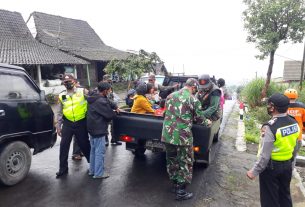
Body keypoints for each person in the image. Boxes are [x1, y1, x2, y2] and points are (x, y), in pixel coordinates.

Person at [247, 93, 300, 207]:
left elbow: (265, 156)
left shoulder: (270, 127)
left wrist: (254, 171)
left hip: (271, 168)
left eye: (269, 105)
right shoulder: (294, 123)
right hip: (287, 166)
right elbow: (295, 147)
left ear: (273, 107)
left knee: (270, 200)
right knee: (285, 196)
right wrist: (292, 165)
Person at [161, 78, 210, 201]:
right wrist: (207, 121)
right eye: (195, 89)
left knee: (171, 159)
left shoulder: (170, 96)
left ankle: (174, 184)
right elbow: (199, 118)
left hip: (167, 134)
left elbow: (165, 113)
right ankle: (181, 191)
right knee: (185, 161)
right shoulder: (193, 99)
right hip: (183, 137)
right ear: (193, 87)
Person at [56, 74, 91, 178]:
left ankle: (92, 165)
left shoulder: (83, 91)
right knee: (63, 146)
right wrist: (58, 126)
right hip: (68, 124)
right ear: (63, 84)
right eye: (65, 82)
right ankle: (63, 170)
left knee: (84, 144)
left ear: (74, 81)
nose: (67, 84)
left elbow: (93, 102)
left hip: (81, 122)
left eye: (69, 81)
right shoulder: (61, 95)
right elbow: (59, 112)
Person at [87, 82, 117, 179]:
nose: (109, 92)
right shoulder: (101, 102)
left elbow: (108, 102)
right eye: (109, 90)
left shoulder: (93, 97)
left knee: (93, 151)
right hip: (99, 129)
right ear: (105, 91)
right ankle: (99, 173)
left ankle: (92, 171)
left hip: (91, 128)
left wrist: (114, 106)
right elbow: (109, 115)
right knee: (100, 152)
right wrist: (115, 112)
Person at [284, 88, 305, 166]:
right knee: (294, 156)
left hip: (284, 135)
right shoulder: (302, 107)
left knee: (284, 154)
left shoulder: (282, 106)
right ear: (296, 97)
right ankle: (291, 172)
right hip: (297, 136)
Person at [102, 74, 122, 146]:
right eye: (108, 80)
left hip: (112, 108)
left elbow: (112, 97)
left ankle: (114, 139)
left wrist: (115, 106)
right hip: (105, 109)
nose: (109, 82)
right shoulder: (101, 88)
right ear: (104, 80)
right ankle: (105, 140)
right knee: (105, 126)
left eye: (110, 80)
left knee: (114, 125)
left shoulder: (110, 87)